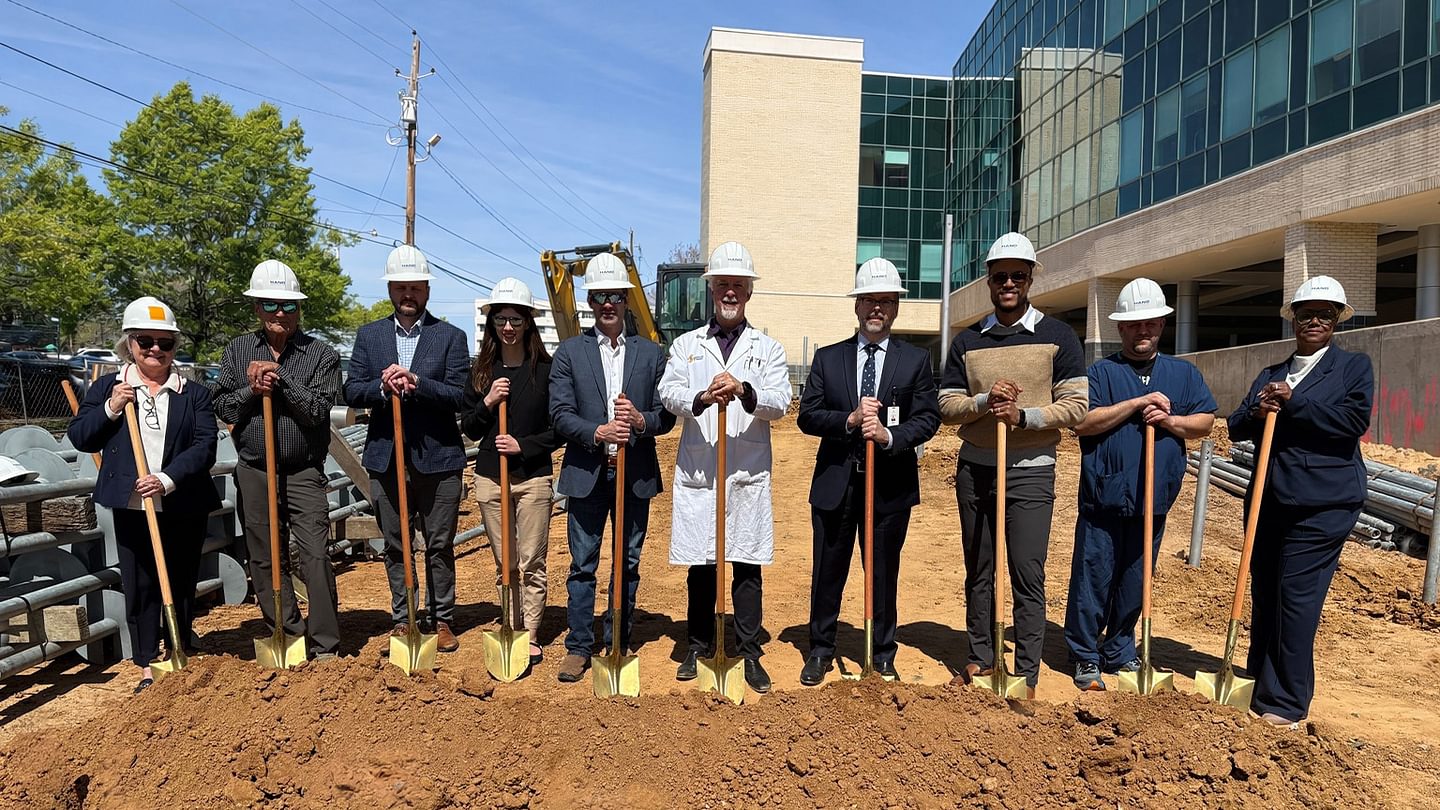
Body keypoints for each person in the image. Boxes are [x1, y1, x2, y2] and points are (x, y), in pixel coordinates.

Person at [938, 232, 1087, 698]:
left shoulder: (1058, 336)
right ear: (988, 280)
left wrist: (1025, 417)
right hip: (976, 468)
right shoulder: (968, 341)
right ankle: (981, 659)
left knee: (1027, 571)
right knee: (979, 569)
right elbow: (945, 403)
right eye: (1000, 276)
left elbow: (1077, 406)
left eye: (1017, 276)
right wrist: (984, 401)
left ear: (1030, 279)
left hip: (1032, 470)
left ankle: (1025, 671)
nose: (1008, 283)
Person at [1228, 275, 1372, 729]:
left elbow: (1352, 421)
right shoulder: (1271, 374)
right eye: (1306, 313)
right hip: (1268, 504)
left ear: (1337, 321)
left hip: (1322, 505)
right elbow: (1234, 425)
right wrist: (1257, 411)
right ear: (1293, 318)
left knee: (1296, 598)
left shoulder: (1353, 368)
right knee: (1266, 592)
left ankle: (1287, 702)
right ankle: (1258, 680)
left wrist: (1294, 405)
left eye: (1325, 314)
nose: (1314, 321)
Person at [1064, 278, 1216, 691]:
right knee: (1093, 579)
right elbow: (1081, 422)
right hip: (1104, 499)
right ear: (1120, 328)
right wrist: (1136, 405)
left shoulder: (1183, 375)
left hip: (1154, 500)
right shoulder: (1100, 373)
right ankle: (1084, 655)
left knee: (1135, 581)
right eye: (1134, 325)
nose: (1142, 331)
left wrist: (1168, 421)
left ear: (1162, 325)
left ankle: (1120, 651)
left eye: (1150, 323)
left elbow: (1204, 421)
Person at [796, 258, 939, 685]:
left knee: (882, 572)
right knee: (828, 571)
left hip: (889, 488)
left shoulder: (915, 361)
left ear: (895, 307)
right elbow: (807, 416)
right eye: (869, 300)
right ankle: (821, 649)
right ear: (856, 305)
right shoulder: (828, 358)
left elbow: (927, 417)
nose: (876, 308)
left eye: (886, 301)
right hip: (837, 482)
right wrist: (851, 420)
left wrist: (891, 437)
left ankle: (881, 652)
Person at [67, 297, 219, 693]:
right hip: (133, 504)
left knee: (181, 579)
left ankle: (179, 650)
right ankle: (147, 663)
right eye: (145, 341)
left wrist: (165, 479)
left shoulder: (194, 394)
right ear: (129, 343)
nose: (155, 349)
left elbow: (204, 447)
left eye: (164, 342)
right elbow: (82, 437)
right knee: (141, 582)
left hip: (182, 500)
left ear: (174, 345)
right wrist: (112, 408)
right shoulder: (107, 388)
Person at [660, 241, 791, 694]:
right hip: (701, 471)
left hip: (746, 471)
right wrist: (701, 397)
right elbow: (668, 394)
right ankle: (698, 645)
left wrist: (744, 390)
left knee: (747, 565)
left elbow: (780, 402)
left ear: (749, 292)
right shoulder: (685, 346)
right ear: (711, 290)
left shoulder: (768, 349)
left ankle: (749, 650)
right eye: (723, 285)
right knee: (702, 563)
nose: (730, 292)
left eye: (738, 285)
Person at [549, 254, 674, 683]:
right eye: (600, 295)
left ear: (626, 299)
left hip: (633, 472)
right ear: (590, 300)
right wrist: (598, 431)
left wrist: (641, 421)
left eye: (615, 296)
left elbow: (666, 415)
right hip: (588, 472)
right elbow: (560, 414)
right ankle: (580, 646)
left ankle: (617, 639)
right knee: (583, 563)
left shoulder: (652, 354)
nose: (608, 303)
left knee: (628, 560)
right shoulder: (570, 353)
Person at [214, 260, 344, 661]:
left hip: (303, 470)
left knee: (315, 554)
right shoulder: (239, 350)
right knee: (265, 554)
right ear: (257, 307)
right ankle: (287, 631)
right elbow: (222, 404)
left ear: (299, 309)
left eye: (288, 305)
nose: (281, 313)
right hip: (254, 469)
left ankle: (325, 642)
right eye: (271, 305)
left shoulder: (321, 355)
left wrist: (281, 380)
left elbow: (319, 410)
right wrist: (253, 391)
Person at [343, 245, 470, 652]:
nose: (408, 295)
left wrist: (417, 382)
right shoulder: (370, 336)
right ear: (391, 291)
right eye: (400, 288)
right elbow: (352, 389)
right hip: (386, 456)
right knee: (395, 544)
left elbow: (459, 395)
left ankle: (442, 617)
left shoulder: (450, 337)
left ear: (427, 289)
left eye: (415, 287)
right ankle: (404, 618)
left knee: (439, 543)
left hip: (438, 458)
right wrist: (383, 387)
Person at [461, 277, 558, 671]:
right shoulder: (482, 371)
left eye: (516, 319)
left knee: (532, 558)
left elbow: (559, 430)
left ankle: (530, 634)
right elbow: (469, 427)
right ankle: (510, 623)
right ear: (491, 324)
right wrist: (488, 402)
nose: (508, 327)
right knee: (506, 561)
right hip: (490, 477)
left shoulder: (547, 371)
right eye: (500, 319)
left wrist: (524, 446)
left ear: (528, 323)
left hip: (532, 477)